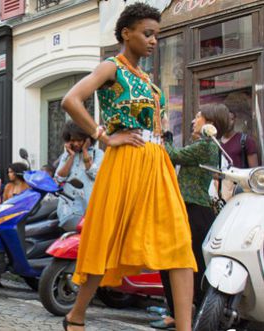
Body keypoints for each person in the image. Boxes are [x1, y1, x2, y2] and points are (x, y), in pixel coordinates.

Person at [60, 4, 196, 331]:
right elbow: (70, 100)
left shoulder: (147, 78)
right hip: (125, 161)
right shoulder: (112, 67)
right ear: (126, 33)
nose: (153, 41)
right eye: (147, 34)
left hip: (156, 162)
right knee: (107, 237)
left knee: (179, 242)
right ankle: (76, 316)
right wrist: (102, 137)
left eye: (157, 36)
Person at [151, 104, 230, 329]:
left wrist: (164, 133)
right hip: (187, 207)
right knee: (171, 263)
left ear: (211, 125)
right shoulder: (202, 144)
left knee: (182, 265)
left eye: (198, 117)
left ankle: (185, 314)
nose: (194, 121)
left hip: (194, 210)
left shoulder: (207, 146)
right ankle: (177, 312)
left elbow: (171, 155)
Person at [55, 121, 104, 227]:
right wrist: (71, 157)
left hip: (88, 210)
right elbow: (59, 178)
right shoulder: (66, 155)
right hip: (67, 210)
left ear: (88, 139)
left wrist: (85, 151)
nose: (76, 144)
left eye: (79, 140)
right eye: (73, 140)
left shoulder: (98, 154)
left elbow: (95, 175)